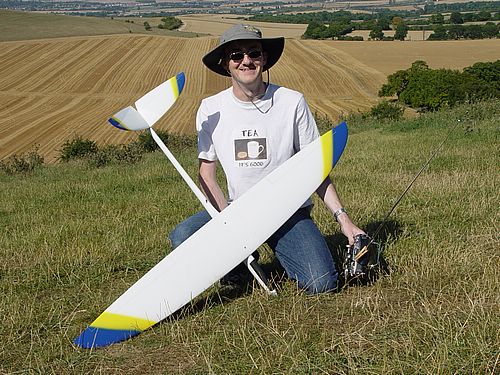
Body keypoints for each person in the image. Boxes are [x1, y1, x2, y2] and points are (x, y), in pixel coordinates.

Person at [169, 24, 365, 294]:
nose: (246, 61)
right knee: (183, 235)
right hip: (238, 209)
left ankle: (283, 248)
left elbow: (316, 167)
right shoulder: (210, 108)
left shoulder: (292, 101)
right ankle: (239, 268)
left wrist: (344, 220)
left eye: (254, 53)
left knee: (322, 284)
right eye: (236, 55)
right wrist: (226, 221)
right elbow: (206, 173)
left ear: (265, 59)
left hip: (288, 210)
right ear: (226, 64)